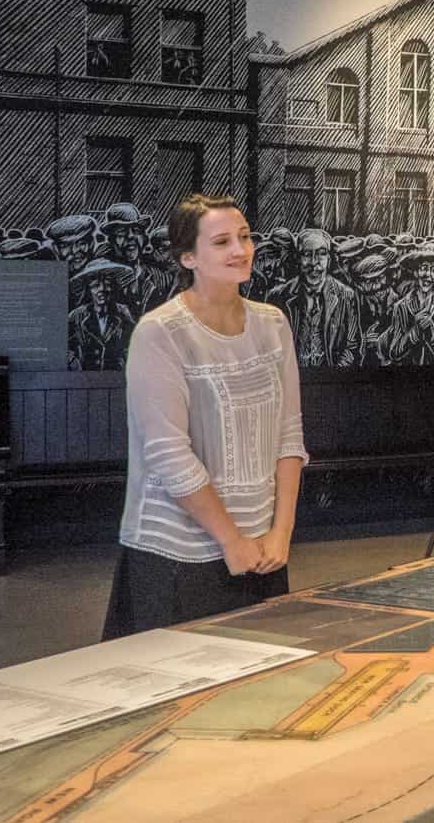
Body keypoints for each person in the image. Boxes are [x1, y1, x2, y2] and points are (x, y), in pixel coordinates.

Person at [102, 193, 306, 638]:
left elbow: (289, 436)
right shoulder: (160, 333)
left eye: (245, 237)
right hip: (180, 555)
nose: (240, 250)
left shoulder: (272, 324)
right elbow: (168, 455)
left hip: (262, 549)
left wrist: (281, 532)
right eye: (222, 242)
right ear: (188, 256)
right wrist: (231, 540)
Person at [266, 227, 362, 367]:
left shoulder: (346, 296)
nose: (313, 262)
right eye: (307, 254)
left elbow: (351, 348)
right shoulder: (278, 296)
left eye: (321, 254)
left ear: (329, 260)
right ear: (298, 259)